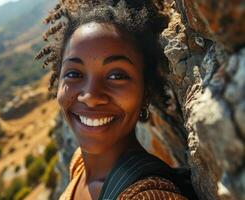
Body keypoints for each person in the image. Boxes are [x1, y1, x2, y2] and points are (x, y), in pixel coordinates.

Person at [36, 0, 195, 199]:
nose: (90, 97)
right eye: (74, 74)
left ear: (146, 91)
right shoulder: (79, 164)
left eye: (117, 76)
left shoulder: (148, 195)